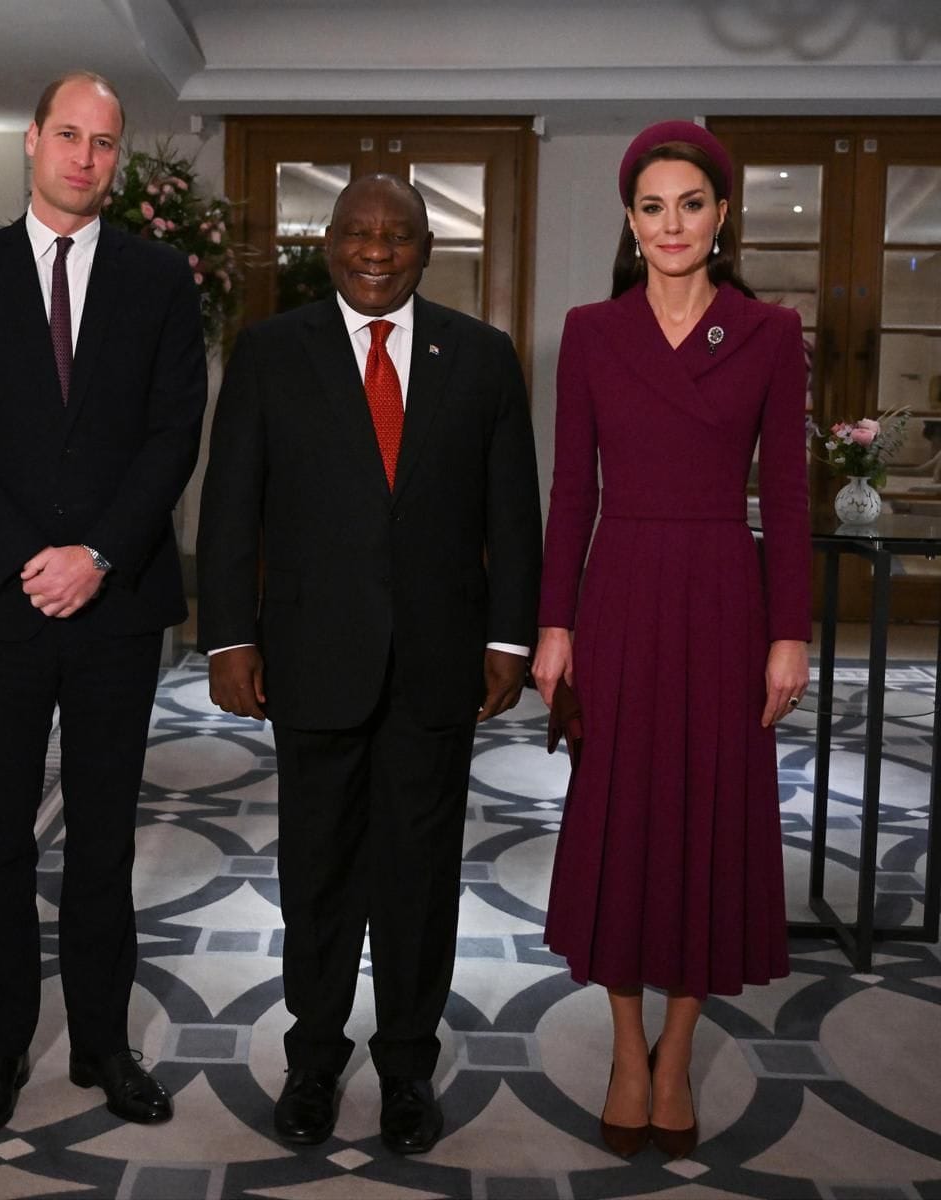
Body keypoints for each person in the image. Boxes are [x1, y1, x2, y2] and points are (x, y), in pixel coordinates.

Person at [196, 174, 542, 1153]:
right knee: (316, 871)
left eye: (397, 235)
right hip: (311, 659)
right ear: (330, 242)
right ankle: (312, 1061)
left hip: (439, 664)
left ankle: (404, 1069)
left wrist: (509, 639)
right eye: (358, 232)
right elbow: (231, 508)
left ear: (427, 248)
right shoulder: (270, 352)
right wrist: (229, 638)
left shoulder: (480, 357)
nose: (376, 250)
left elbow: (514, 512)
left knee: (420, 876)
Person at [0, 70, 206, 1140]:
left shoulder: (160, 277)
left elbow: (175, 432)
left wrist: (96, 555)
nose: (86, 157)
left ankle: (101, 1046)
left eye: (105, 143)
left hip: (120, 608)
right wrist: (31, 556)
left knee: (106, 838)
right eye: (68, 135)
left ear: (117, 159)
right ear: (32, 141)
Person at [531, 121, 810, 1160]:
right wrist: (552, 624)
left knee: (708, 819)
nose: (671, 224)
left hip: (724, 596)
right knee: (622, 817)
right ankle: (625, 1042)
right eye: (652, 206)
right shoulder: (593, 333)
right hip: (623, 594)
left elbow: (784, 494)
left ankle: (680, 1046)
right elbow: (570, 493)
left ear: (723, 214)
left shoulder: (771, 332)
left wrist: (790, 633)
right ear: (631, 220)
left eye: (690, 203)